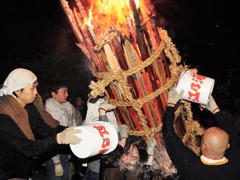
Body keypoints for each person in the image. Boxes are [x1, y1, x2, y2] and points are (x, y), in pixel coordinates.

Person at [0, 68, 81, 180]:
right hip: (6, 173)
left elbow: (50, 130)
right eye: (32, 88)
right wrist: (58, 139)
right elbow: (28, 148)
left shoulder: (31, 108)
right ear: (18, 91)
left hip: (24, 171)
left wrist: (79, 132)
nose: (36, 92)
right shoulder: (4, 115)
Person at [162, 87, 240, 180]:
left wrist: (171, 103)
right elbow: (234, 137)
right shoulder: (236, 165)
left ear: (202, 147)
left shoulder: (193, 167)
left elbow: (168, 134)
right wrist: (215, 110)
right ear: (227, 146)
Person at [44, 80, 83, 180]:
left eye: (67, 91)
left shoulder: (67, 107)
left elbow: (73, 126)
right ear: (54, 94)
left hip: (64, 152)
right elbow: (49, 135)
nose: (67, 94)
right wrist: (56, 161)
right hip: (53, 155)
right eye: (64, 92)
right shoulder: (48, 110)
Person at [83, 96, 117, 180]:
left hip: (99, 170)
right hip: (95, 169)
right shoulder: (88, 122)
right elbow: (102, 136)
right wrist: (102, 113)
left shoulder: (109, 116)